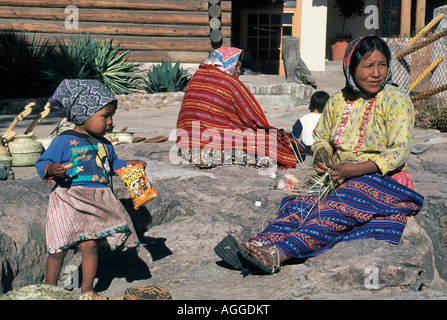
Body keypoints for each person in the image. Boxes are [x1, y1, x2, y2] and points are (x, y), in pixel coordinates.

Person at [214, 35, 424, 274]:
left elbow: (398, 151)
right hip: (338, 176)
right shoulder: (338, 100)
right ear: (351, 68)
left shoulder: (397, 101)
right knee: (301, 203)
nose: (376, 73)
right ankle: (259, 243)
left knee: (336, 208)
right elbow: (322, 137)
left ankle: (279, 253)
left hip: (383, 180)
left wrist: (354, 170)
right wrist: (323, 156)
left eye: (382, 65)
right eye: (367, 66)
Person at [35, 79, 146, 299]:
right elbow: (42, 162)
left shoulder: (105, 144)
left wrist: (129, 165)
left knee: (90, 245)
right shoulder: (64, 141)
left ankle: (87, 289)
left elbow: (113, 164)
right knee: (59, 247)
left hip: (96, 200)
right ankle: (49, 289)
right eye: (105, 116)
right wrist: (51, 168)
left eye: (111, 116)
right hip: (68, 199)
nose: (110, 122)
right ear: (83, 115)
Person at [176, 47, 304, 169]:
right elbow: (254, 119)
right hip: (208, 149)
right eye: (237, 66)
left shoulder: (197, 77)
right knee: (267, 143)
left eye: (240, 67)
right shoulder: (228, 82)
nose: (239, 71)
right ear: (226, 64)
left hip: (186, 146)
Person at [292, 90, 330, 155]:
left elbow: (294, 136)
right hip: (322, 149)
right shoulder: (327, 119)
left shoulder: (302, 119)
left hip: (306, 149)